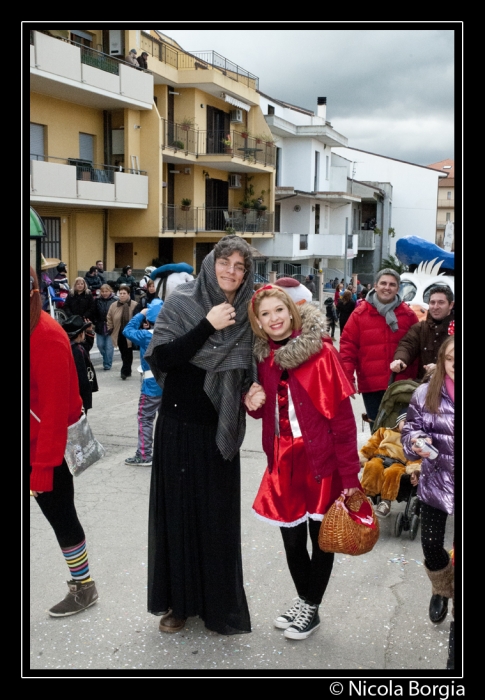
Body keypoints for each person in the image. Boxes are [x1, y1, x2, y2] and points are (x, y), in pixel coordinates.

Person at [144, 235, 255, 636]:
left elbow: (254, 366)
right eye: (225, 262)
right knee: (177, 519)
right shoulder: (183, 303)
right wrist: (207, 326)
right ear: (211, 264)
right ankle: (177, 604)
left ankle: (217, 606)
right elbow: (162, 358)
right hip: (177, 427)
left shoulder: (250, 311)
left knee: (216, 522)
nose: (231, 271)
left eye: (240, 266)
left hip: (219, 429)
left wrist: (252, 388)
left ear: (247, 273)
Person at [244, 285, 361, 640]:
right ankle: (306, 599)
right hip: (282, 460)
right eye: (265, 314)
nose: (274, 319)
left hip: (321, 459)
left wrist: (350, 474)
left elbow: (343, 419)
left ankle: (310, 606)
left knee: (322, 538)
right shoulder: (263, 357)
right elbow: (265, 412)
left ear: (291, 312)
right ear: (258, 323)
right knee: (292, 541)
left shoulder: (323, 353)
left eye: (278, 310)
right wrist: (252, 398)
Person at [30, 267, 98, 617]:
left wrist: (41, 470)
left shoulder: (48, 337)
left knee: (62, 518)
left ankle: (84, 587)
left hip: (47, 449)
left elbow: (55, 415)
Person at [401, 336, 455, 625]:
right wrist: (417, 442)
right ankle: (442, 587)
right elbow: (410, 430)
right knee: (432, 545)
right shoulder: (424, 393)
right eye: (451, 359)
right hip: (436, 479)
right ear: (443, 361)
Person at [339, 268, 419, 430]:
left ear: (398, 288)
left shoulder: (408, 315)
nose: (387, 287)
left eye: (392, 284)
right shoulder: (359, 315)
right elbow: (347, 349)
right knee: (377, 432)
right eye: (383, 283)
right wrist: (347, 379)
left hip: (402, 385)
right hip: (372, 386)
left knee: (403, 432)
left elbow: (417, 347)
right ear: (375, 285)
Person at [122, 300, 164, 466]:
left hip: (151, 385)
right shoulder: (174, 333)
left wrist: (141, 314)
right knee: (165, 419)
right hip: (168, 385)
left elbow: (127, 330)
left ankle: (144, 455)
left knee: (145, 418)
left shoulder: (147, 336)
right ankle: (165, 453)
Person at [359, 414, 421, 518]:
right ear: (398, 422)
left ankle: (386, 502)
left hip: (398, 463)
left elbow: (415, 458)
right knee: (372, 466)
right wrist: (363, 455)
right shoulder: (384, 431)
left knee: (392, 473)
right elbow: (371, 445)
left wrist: (415, 471)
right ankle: (368, 496)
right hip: (380, 457)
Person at [390, 285, 455, 381]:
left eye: (441, 303)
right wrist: (400, 359)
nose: (435, 307)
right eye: (432, 302)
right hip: (424, 386)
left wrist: (441, 368)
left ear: (451, 305)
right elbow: (407, 344)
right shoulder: (420, 328)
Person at [62, 315, 99, 414]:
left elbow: (86, 347)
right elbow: (81, 377)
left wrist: (89, 333)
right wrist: (85, 398)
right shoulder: (77, 350)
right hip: (78, 394)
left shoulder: (72, 346)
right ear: (80, 334)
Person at [106, 284, 137, 380]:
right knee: (123, 352)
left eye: (124, 293)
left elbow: (139, 317)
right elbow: (109, 317)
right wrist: (110, 327)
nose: (122, 295)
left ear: (128, 294)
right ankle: (127, 369)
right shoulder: (114, 305)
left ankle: (125, 371)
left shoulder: (135, 305)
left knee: (128, 352)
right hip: (119, 332)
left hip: (131, 333)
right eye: (120, 293)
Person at [93, 283, 118, 370]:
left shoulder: (115, 300)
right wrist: (95, 321)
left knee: (109, 346)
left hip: (111, 326)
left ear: (110, 291)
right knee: (100, 345)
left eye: (106, 291)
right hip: (100, 325)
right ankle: (106, 357)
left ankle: (107, 364)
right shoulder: (97, 300)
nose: (104, 293)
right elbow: (94, 312)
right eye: (102, 291)